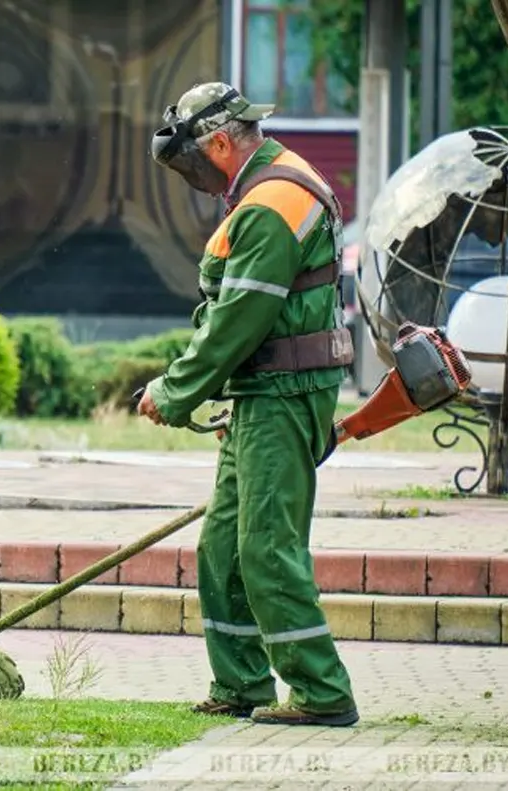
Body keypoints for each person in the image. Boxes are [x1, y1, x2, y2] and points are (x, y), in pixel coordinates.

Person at [135, 82, 358, 727]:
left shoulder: (270, 205)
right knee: (223, 549)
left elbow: (239, 319)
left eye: (192, 161)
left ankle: (322, 692)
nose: (193, 177)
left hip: (281, 395)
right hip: (264, 393)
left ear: (222, 144)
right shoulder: (276, 184)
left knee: (265, 548)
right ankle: (241, 685)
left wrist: (174, 391)